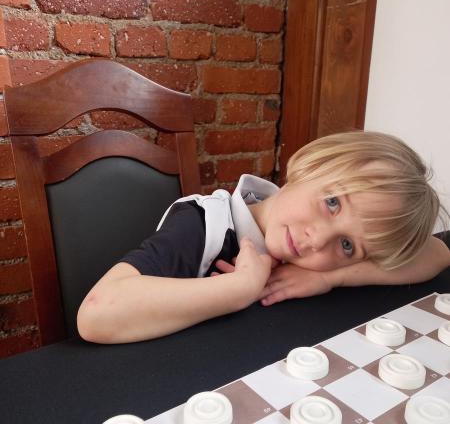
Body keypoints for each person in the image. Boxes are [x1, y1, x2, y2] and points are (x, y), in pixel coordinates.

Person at [77, 131, 450, 344]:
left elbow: (436, 254)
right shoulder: (205, 224)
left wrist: (331, 277)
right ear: (313, 165)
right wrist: (241, 288)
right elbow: (96, 314)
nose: (317, 240)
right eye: (333, 203)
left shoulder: (308, 256)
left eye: (347, 245)